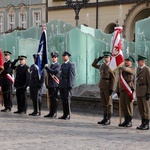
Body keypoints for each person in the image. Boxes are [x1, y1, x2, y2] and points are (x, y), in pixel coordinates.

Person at [92, 51, 116, 125]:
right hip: (102, 85)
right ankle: (104, 117)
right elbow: (93, 65)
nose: (106, 58)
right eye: (105, 57)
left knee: (109, 103)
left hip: (108, 85)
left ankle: (108, 118)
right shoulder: (102, 65)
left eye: (107, 57)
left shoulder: (112, 66)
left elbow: (113, 78)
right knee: (103, 102)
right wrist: (97, 60)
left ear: (110, 58)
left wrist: (112, 88)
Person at [117, 56, 135, 127]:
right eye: (126, 60)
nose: (126, 62)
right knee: (123, 106)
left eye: (128, 61)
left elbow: (129, 71)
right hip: (122, 89)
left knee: (128, 106)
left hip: (128, 89)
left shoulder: (132, 68)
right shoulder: (122, 70)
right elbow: (119, 81)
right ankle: (126, 120)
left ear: (131, 62)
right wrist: (117, 90)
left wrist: (121, 67)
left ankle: (129, 121)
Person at [58, 51, 75, 120]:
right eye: (63, 56)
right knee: (63, 100)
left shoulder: (71, 64)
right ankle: (64, 114)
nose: (63, 57)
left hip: (67, 83)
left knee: (67, 100)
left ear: (68, 57)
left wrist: (70, 84)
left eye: (65, 56)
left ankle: (68, 114)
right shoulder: (62, 65)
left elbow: (72, 75)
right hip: (62, 83)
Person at [44, 51, 61, 118]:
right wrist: (46, 84)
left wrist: (47, 68)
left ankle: (54, 113)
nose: (53, 58)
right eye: (53, 57)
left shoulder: (58, 65)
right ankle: (51, 112)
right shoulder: (51, 65)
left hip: (55, 84)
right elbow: (47, 76)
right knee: (51, 99)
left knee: (55, 99)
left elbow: (54, 72)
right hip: (50, 84)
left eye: (55, 57)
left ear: (57, 58)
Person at [136, 55, 150, 130]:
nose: (138, 62)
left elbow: (149, 82)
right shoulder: (138, 69)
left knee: (146, 108)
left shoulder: (147, 69)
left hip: (145, 92)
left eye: (139, 61)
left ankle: (147, 124)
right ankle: (143, 122)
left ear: (143, 61)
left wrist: (148, 92)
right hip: (139, 91)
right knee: (141, 108)